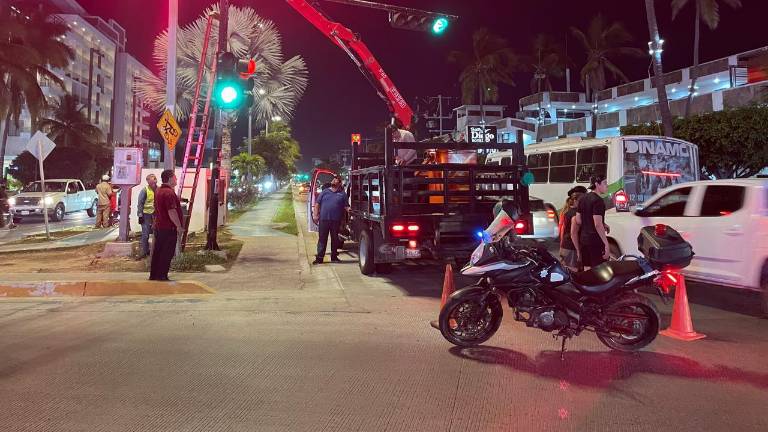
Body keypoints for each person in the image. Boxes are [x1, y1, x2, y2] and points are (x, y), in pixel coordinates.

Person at [571, 175, 611, 270]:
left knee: (587, 267)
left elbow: (578, 220)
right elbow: (597, 224)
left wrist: (591, 222)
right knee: (599, 269)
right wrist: (606, 243)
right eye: (605, 183)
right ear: (597, 184)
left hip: (584, 239)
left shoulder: (583, 199)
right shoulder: (598, 201)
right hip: (595, 241)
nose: (607, 186)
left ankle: (588, 283)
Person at [149, 169, 183, 281]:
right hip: (169, 228)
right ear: (169, 178)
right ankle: (162, 275)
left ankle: (154, 274)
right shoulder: (169, 193)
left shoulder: (158, 191)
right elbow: (171, 211)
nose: (176, 179)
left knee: (158, 251)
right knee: (167, 252)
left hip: (160, 227)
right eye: (175, 177)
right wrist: (178, 226)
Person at [312, 175, 349, 264]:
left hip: (336, 221)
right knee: (322, 239)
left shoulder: (342, 194)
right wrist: (315, 215)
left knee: (335, 239)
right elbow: (317, 204)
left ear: (339, 183)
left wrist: (349, 210)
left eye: (336, 180)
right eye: (333, 179)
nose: (333, 181)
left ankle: (334, 257)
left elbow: (346, 207)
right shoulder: (325, 192)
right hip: (324, 219)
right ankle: (319, 258)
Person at [559, 191, 584, 272]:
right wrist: (578, 250)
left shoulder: (567, 212)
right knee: (572, 270)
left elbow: (563, 230)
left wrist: (561, 245)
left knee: (565, 269)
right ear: (576, 201)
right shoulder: (575, 215)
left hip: (565, 246)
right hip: (571, 248)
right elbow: (573, 233)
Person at [136, 173, 158, 258]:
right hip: (146, 215)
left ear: (156, 181)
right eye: (150, 182)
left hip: (156, 214)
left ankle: (155, 251)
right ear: (148, 182)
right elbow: (140, 203)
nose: (152, 184)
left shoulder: (158, 189)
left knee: (157, 233)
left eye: (153, 182)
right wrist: (140, 215)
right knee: (145, 234)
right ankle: (145, 251)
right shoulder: (144, 190)